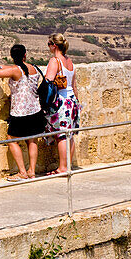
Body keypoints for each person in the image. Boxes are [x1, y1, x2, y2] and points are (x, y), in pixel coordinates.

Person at [0, 44, 46, 181]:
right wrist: (3, 67)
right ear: (25, 55)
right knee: (32, 141)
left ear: (12, 57)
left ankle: (22, 172)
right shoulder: (34, 68)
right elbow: (13, 69)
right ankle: (32, 171)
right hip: (35, 110)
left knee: (12, 140)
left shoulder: (15, 71)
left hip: (20, 112)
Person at [44, 33, 80, 175]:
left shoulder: (55, 61)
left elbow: (49, 80)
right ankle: (68, 166)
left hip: (61, 102)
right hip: (72, 101)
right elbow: (74, 85)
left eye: (48, 44)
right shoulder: (70, 61)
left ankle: (62, 168)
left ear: (54, 45)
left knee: (61, 135)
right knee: (69, 135)